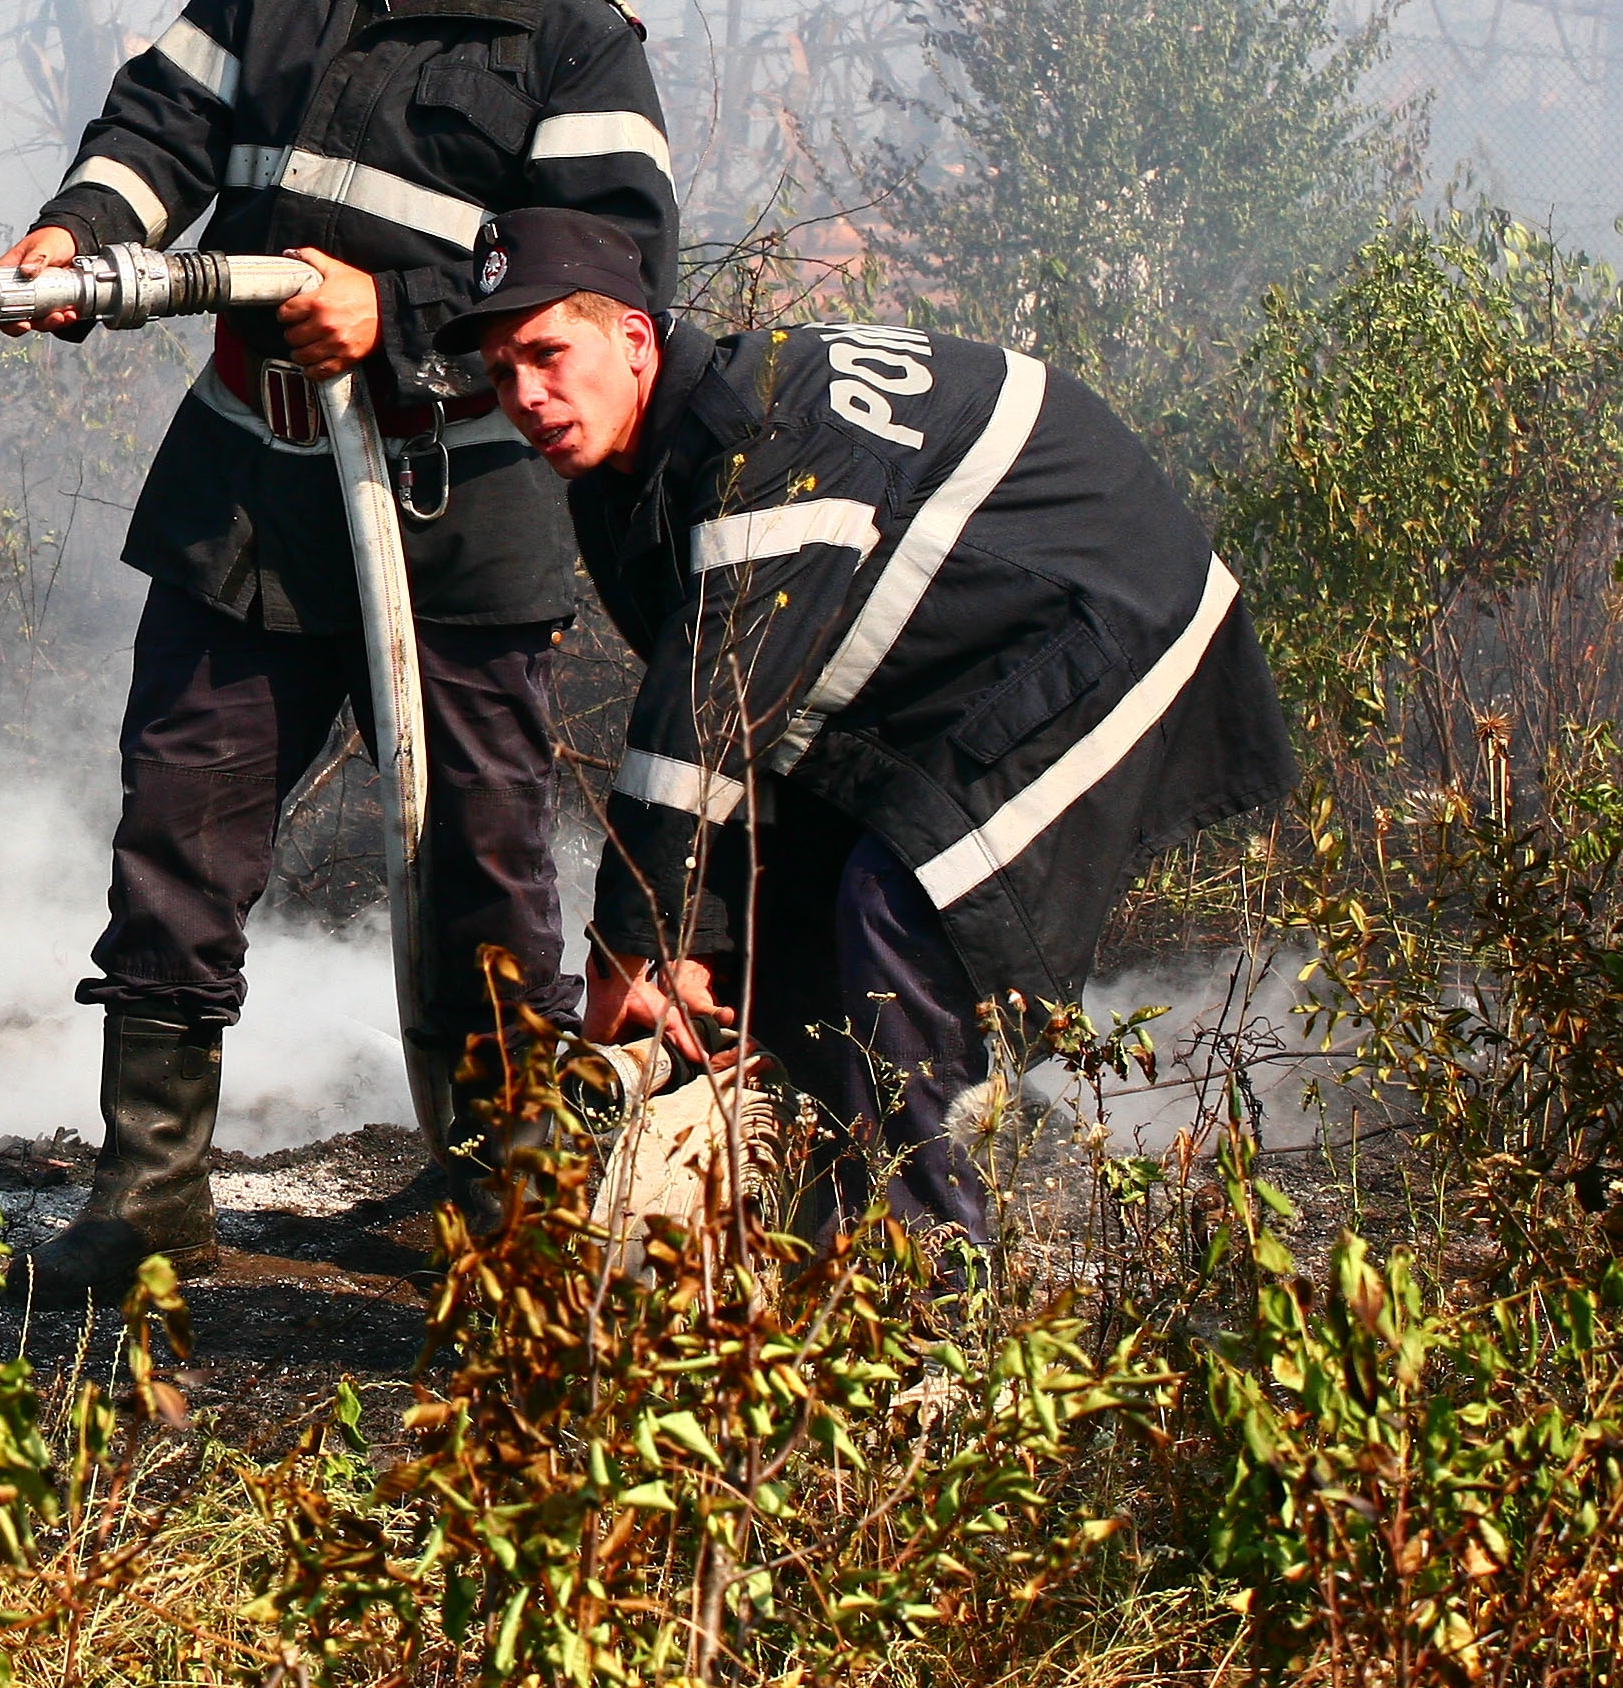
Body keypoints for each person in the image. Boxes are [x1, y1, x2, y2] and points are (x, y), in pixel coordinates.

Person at [0, 0, 679, 1300]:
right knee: (177, 820)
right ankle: (148, 1203)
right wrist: (79, 234)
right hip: (254, 487)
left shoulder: (574, 45)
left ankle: (502, 1217)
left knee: (479, 861)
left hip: (455, 506)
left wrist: (401, 315)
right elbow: (155, 125)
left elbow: (597, 276)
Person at [451, 206, 1300, 1264]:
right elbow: (738, 745)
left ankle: (930, 1299)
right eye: (498, 375)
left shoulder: (763, 445)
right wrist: (696, 947)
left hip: (1108, 623)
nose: (524, 397)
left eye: (544, 354)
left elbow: (707, 712)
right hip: (954, 666)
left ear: (632, 339)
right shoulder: (631, 479)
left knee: (895, 912)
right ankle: (822, 1242)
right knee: (787, 923)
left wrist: (629, 947)